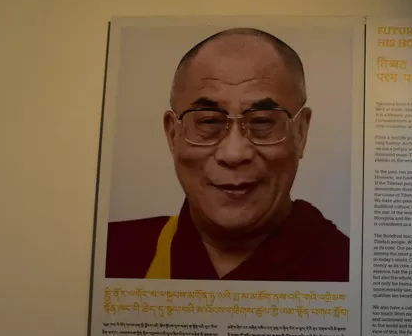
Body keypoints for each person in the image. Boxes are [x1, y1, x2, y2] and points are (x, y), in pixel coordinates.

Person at [104, 28, 349, 281]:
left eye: (263, 122)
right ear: (172, 134)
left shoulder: (347, 269)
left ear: (301, 132)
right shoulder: (111, 254)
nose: (234, 153)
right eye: (209, 122)